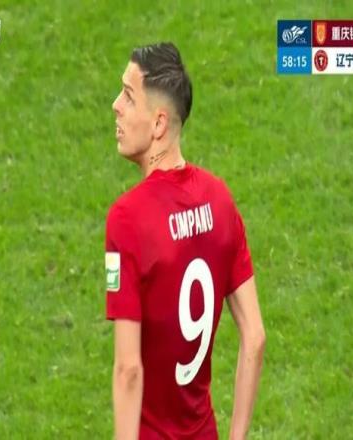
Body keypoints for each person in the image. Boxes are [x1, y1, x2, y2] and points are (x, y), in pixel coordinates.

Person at [105, 42, 265, 439]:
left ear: (158, 123)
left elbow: (128, 370)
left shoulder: (127, 219)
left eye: (128, 96)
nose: (116, 106)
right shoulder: (220, 199)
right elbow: (255, 338)